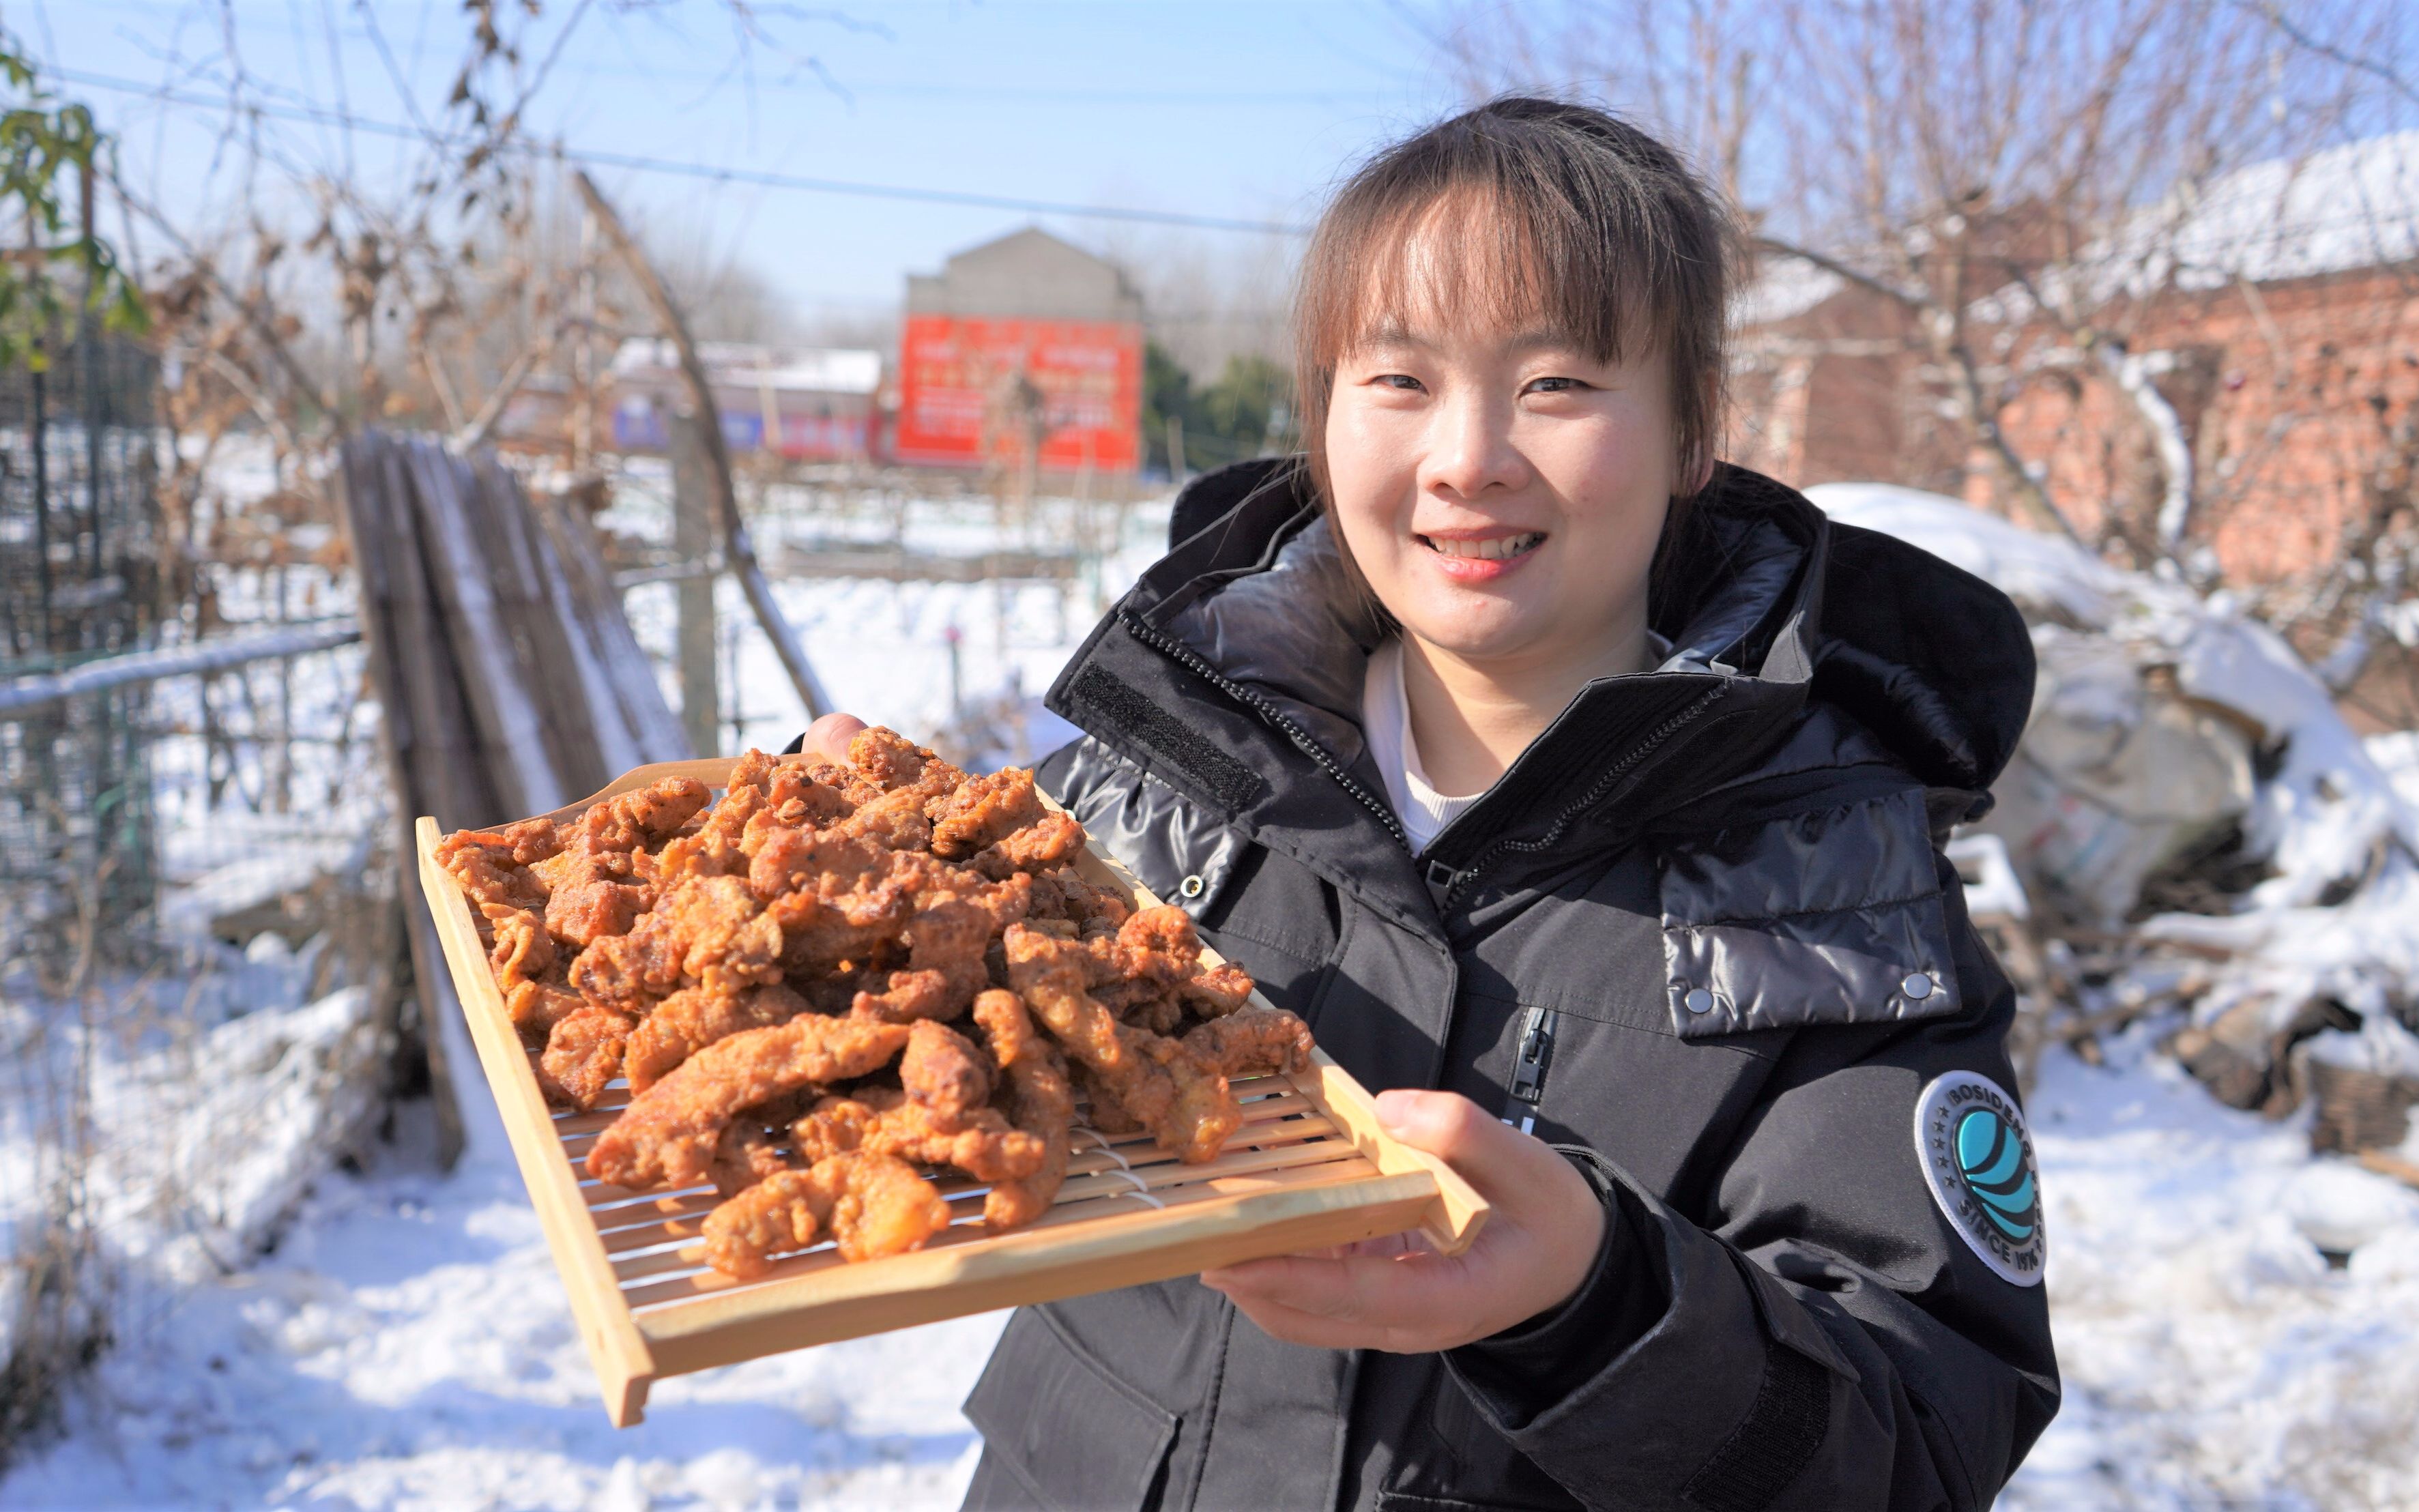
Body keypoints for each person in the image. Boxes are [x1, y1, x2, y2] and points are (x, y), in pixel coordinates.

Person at [797, 96, 2057, 1512]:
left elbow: (1921, 1437)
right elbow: (938, 1073)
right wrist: (838, 912)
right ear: (1326, 417)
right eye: (1397, 379)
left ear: (1695, 428)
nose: (1468, 458)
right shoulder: (1175, 754)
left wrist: (1598, 1300)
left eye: (1560, 384)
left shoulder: (1835, 893)